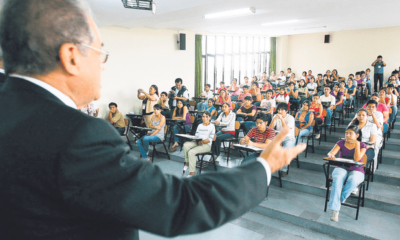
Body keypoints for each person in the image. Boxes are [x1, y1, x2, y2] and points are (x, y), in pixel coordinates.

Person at [0, 1, 307, 239]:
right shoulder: (78, 135)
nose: (103, 65)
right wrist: (264, 166)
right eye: (100, 52)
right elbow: (179, 205)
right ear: (70, 57)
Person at [326, 125, 367, 222]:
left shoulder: (362, 145)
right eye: (346, 133)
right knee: (337, 179)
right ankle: (335, 210)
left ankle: (338, 202)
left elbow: (357, 159)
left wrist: (357, 145)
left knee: (353, 180)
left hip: (357, 169)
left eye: (350, 133)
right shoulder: (341, 142)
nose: (347, 135)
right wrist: (331, 155)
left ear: (357, 135)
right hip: (341, 166)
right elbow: (331, 153)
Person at [183, 111, 215, 178]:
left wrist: (202, 142)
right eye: (203, 116)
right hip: (198, 142)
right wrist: (195, 140)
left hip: (207, 145)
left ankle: (192, 172)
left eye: (207, 116)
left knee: (191, 152)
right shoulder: (200, 125)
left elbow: (210, 139)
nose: (205, 118)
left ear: (210, 117)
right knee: (186, 145)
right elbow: (196, 135)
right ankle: (187, 162)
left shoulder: (212, 126)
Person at [270, 102, 296, 176]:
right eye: (278, 110)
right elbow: (270, 129)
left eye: (282, 110)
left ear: (286, 111)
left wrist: (281, 119)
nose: (280, 112)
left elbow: (286, 130)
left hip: (288, 138)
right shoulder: (275, 116)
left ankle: (284, 169)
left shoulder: (290, 118)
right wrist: (274, 120)